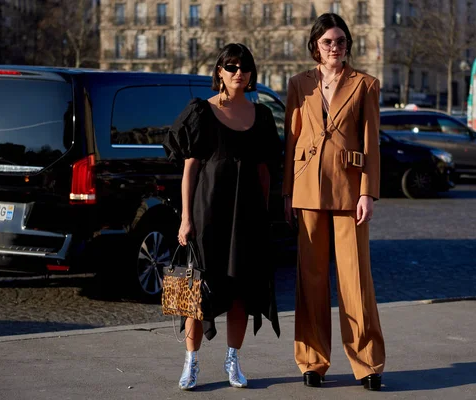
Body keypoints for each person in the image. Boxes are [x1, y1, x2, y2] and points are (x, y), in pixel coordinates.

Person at [163, 43, 281, 391]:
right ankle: (191, 362)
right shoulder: (201, 111)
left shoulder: (260, 117)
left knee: (241, 292)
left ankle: (233, 359)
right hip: (207, 213)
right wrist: (186, 219)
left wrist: (264, 216)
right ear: (219, 72)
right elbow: (190, 171)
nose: (238, 73)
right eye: (230, 67)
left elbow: (264, 172)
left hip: (247, 218)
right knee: (197, 291)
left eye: (244, 67)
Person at [282, 13, 386, 391]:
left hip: (348, 190)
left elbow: (371, 144)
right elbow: (291, 142)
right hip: (307, 188)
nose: (335, 47)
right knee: (309, 281)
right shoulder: (298, 85)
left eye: (341, 41)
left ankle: (369, 364)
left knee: (356, 280)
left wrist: (366, 192)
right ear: (315, 46)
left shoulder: (365, 85)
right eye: (328, 42)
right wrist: (287, 193)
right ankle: (312, 361)